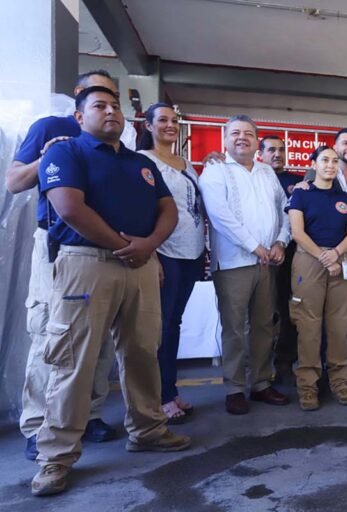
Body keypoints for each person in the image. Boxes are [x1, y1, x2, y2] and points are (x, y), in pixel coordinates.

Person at [31, 86, 190, 496]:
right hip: (87, 264)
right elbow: (68, 207)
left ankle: (148, 429)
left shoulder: (141, 163)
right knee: (75, 362)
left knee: (142, 353)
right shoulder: (66, 152)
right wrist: (125, 246)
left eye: (115, 106)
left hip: (140, 265)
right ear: (80, 117)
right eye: (99, 106)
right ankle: (56, 456)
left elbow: (168, 209)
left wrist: (149, 245)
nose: (111, 112)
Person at [5, 70, 125, 462]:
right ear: (79, 101)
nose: (108, 106)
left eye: (114, 99)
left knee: (101, 334)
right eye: (98, 98)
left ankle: (87, 415)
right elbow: (15, 182)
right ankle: (38, 423)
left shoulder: (119, 142)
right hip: (59, 242)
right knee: (51, 333)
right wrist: (48, 156)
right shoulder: (50, 127)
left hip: (107, 247)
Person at [199, 115, 291, 415]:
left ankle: (262, 383)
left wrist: (280, 242)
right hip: (234, 262)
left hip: (268, 262)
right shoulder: (215, 170)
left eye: (249, 133)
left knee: (264, 325)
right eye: (235, 133)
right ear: (225, 139)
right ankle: (235, 388)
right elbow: (220, 215)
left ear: (256, 140)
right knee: (235, 328)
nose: (242, 138)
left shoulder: (267, 172)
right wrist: (255, 246)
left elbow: (284, 209)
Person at [137, 103, 206, 423]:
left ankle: (170, 388)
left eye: (174, 120)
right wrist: (153, 256)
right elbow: (143, 211)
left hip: (191, 253)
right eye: (162, 120)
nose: (169, 125)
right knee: (161, 325)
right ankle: (160, 396)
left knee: (173, 323)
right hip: (166, 253)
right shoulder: (144, 161)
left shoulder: (185, 163)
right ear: (148, 126)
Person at [287, 145, 347, 410]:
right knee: (308, 326)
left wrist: (337, 254)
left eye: (334, 161)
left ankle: (340, 382)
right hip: (309, 260)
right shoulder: (302, 195)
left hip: (340, 262)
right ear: (314, 164)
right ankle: (307, 386)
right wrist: (323, 256)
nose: (330, 165)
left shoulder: (345, 198)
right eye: (325, 160)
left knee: (340, 326)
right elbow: (297, 232)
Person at [258, 135, 301, 381]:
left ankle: (284, 364)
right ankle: (257, 369)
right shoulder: (252, 179)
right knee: (260, 317)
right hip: (255, 257)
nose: (277, 154)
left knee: (289, 313)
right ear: (260, 153)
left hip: (290, 258)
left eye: (281, 150)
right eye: (271, 150)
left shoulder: (297, 183)